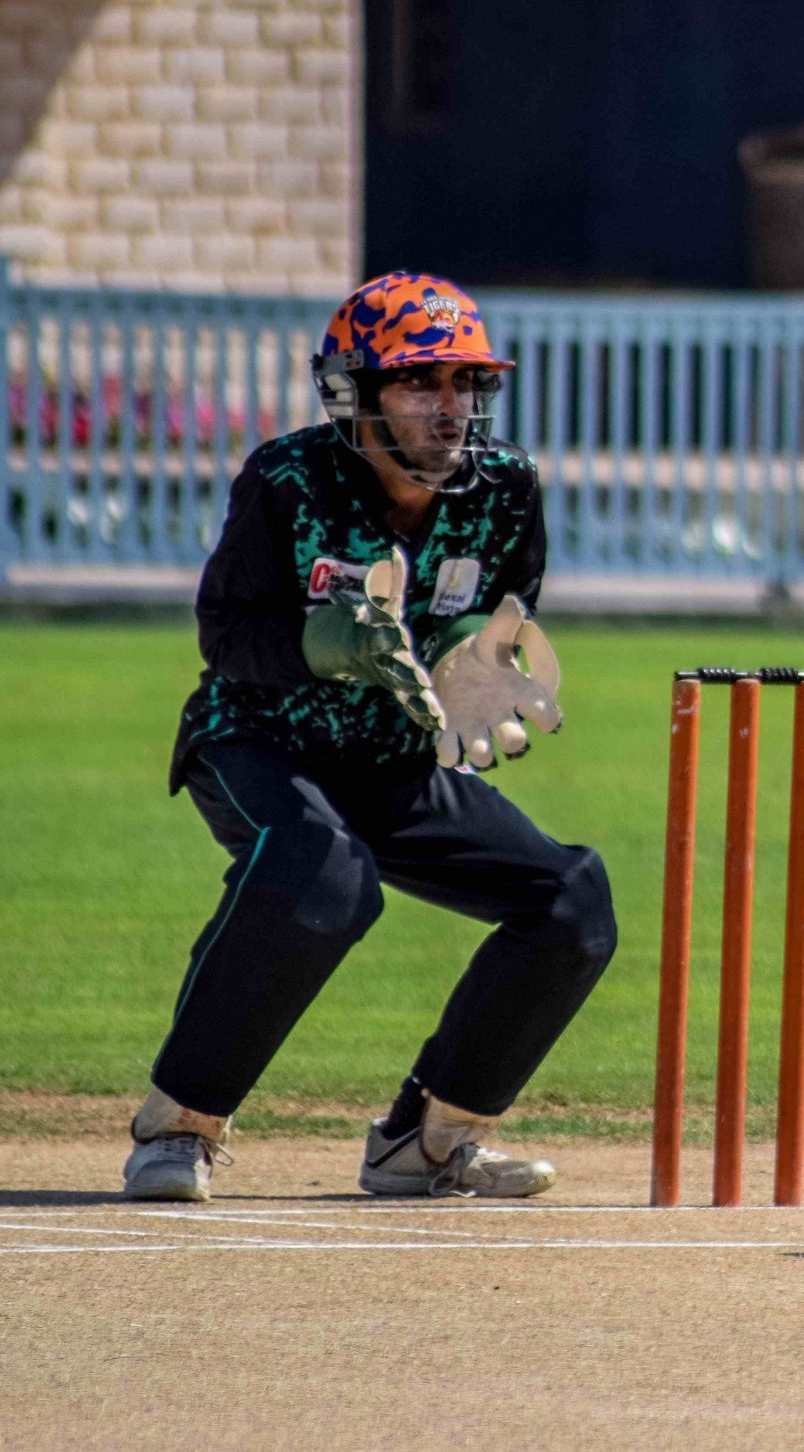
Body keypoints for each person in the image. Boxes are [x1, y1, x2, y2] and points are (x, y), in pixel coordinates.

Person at [123, 272, 612, 1202]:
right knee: (324, 875)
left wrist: (473, 651)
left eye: (467, 381)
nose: (450, 406)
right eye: (420, 381)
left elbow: (506, 604)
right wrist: (326, 643)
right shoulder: (287, 479)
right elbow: (226, 632)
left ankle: (426, 1140)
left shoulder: (506, 487)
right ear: (353, 392)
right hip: (261, 738)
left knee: (570, 900)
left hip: (394, 756)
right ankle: (179, 1123)